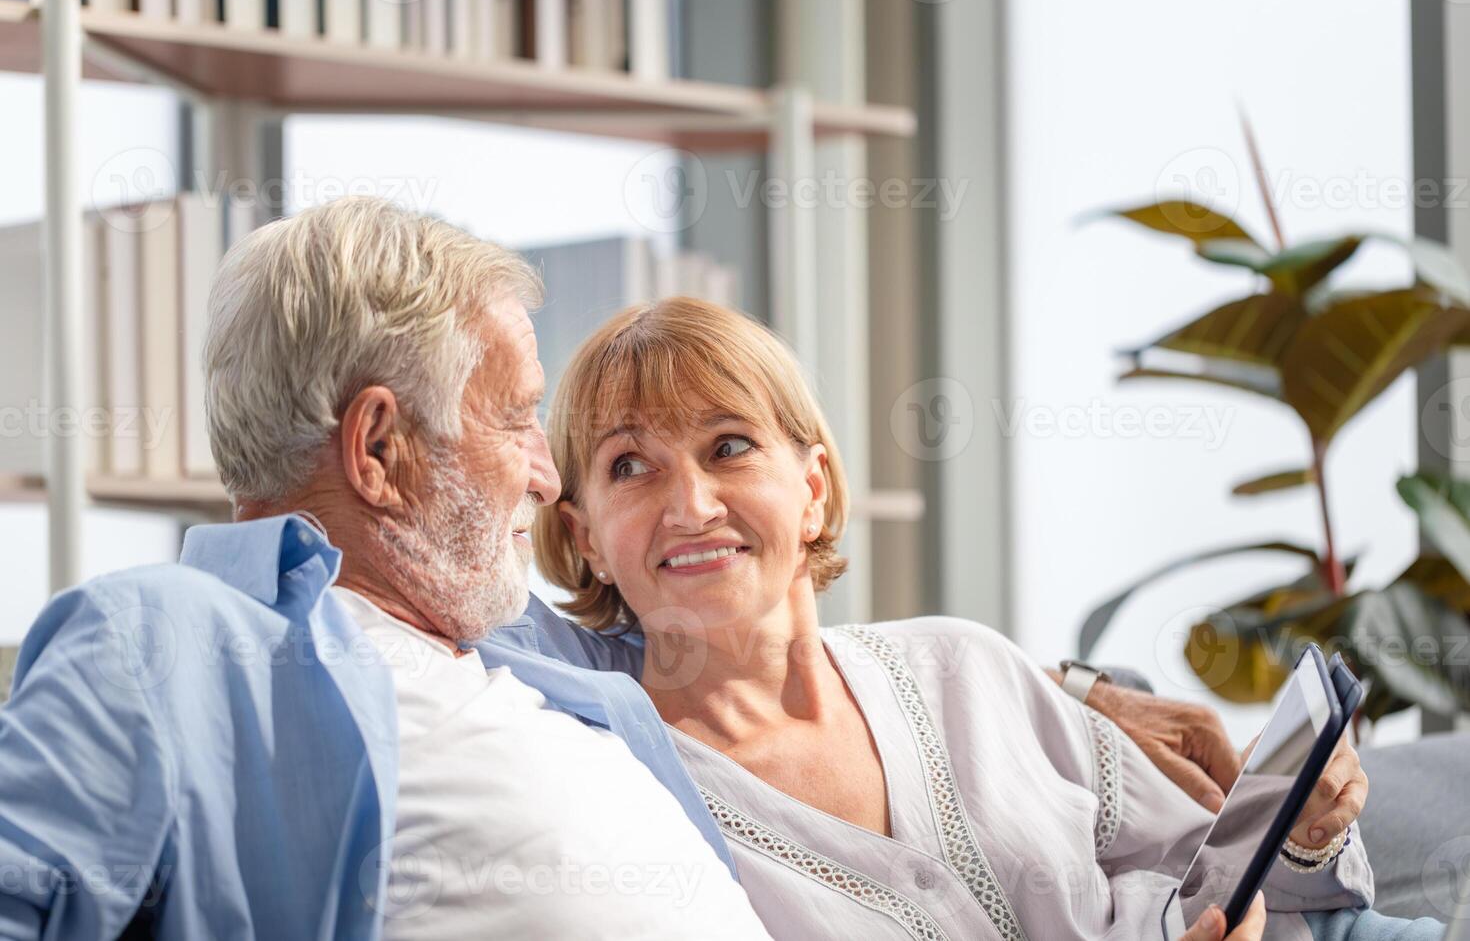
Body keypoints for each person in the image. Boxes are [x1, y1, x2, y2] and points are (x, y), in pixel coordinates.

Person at [532, 295, 1447, 941]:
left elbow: (1226, 877)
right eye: (629, 466)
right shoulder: (625, 793)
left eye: (729, 446)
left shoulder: (960, 665)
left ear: (811, 491)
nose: (690, 503)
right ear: (584, 539)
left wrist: (1305, 833)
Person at [0, 198, 768, 939]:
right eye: (512, 419)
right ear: (377, 449)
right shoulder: (161, 641)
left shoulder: (530, 658)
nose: (548, 476)